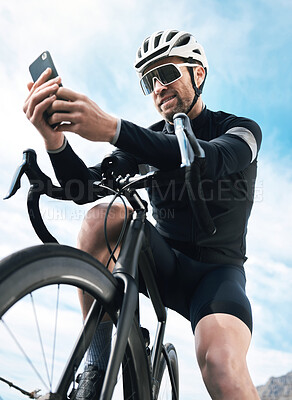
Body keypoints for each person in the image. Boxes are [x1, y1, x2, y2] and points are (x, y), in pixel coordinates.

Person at [23, 29, 262, 399]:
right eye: (148, 81)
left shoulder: (240, 130)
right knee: (99, 218)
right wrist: (56, 142)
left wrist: (113, 129)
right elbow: (85, 187)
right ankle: (96, 367)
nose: (158, 87)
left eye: (167, 74)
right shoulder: (147, 139)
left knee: (220, 364)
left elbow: (207, 158)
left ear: (198, 74)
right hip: (162, 264)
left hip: (218, 277)